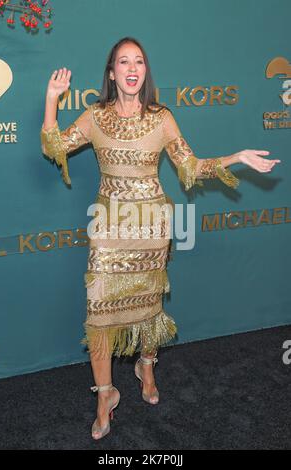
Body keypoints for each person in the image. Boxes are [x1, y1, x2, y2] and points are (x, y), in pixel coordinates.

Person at [40, 37, 280, 440]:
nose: (132, 68)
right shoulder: (94, 116)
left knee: (150, 307)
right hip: (109, 229)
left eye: (139, 61)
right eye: (123, 62)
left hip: (151, 228)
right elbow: (54, 146)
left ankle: (146, 367)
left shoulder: (163, 118)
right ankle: (105, 395)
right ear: (112, 72)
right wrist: (51, 98)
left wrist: (236, 157)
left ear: (144, 71)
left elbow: (191, 165)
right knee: (98, 314)